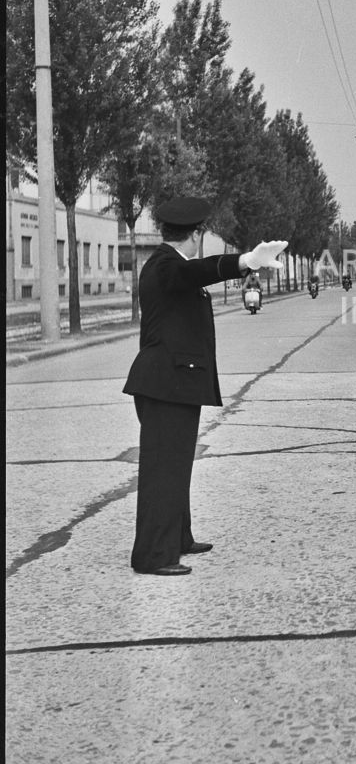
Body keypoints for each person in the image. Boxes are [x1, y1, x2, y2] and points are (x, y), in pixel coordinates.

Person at [123, 197, 287, 576]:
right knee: (163, 469)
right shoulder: (167, 266)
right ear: (195, 235)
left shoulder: (167, 265)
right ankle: (153, 555)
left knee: (176, 464)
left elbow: (190, 278)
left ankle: (178, 538)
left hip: (173, 383)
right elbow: (195, 274)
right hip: (166, 384)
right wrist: (244, 261)